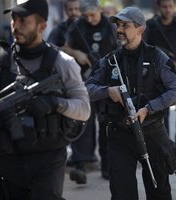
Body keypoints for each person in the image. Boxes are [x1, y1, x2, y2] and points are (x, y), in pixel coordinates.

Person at [0, 0, 90, 199]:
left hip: (48, 157)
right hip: (9, 157)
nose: (16, 26)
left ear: (42, 26)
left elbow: (84, 109)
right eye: (13, 20)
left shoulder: (63, 63)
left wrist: (54, 103)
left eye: (24, 21)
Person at [86, 6, 176, 200]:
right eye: (118, 25)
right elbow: (87, 89)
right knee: (122, 193)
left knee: (159, 192)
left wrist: (149, 108)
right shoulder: (110, 60)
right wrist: (108, 91)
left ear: (140, 29)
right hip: (119, 134)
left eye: (125, 25)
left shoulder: (156, 57)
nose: (119, 29)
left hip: (152, 131)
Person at [63, 0, 118, 184]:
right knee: (84, 122)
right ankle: (80, 165)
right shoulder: (77, 26)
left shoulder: (110, 25)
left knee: (107, 124)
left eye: (93, 14)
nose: (89, 18)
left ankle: (108, 167)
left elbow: (122, 46)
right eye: (86, 15)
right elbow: (64, 48)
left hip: (109, 83)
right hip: (85, 81)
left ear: (100, 10)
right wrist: (77, 54)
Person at [143, 0, 176, 163]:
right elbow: (144, 47)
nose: (167, 10)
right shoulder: (150, 25)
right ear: (159, 7)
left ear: (174, 7)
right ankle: (166, 147)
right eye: (164, 6)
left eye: (170, 6)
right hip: (157, 75)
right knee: (161, 110)